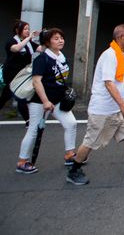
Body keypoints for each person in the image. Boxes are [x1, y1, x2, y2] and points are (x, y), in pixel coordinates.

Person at [66, 24, 124, 186]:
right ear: (120, 37)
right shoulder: (110, 55)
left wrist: (122, 106)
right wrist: (123, 105)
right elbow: (109, 83)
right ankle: (74, 170)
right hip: (102, 109)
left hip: (118, 108)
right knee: (90, 142)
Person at [15, 28, 77, 174]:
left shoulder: (61, 57)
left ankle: (70, 155)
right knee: (34, 130)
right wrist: (45, 101)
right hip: (40, 102)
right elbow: (37, 82)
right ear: (47, 42)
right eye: (56, 38)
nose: (60, 40)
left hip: (57, 100)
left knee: (71, 123)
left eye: (61, 37)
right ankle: (22, 161)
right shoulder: (42, 59)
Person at [1, 20, 40, 124]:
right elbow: (17, 49)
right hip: (11, 73)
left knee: (11, 95)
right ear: (18, 30)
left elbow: (40, 48)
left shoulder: (29, 43)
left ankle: (28, 121)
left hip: (23, 75)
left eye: (28, 29)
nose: (28, 31)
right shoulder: (12, 41)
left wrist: (47, 38)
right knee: (15, 95)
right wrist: (28, 38)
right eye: (25, 29)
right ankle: (28, 121)